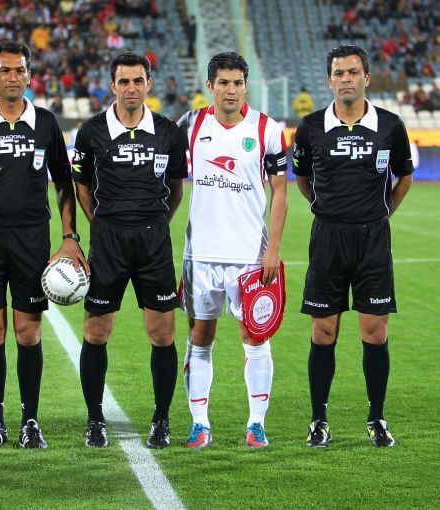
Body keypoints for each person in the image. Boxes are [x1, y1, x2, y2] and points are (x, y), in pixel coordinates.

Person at [0, 41, 85, 450]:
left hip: (31, 239)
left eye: (20, 70)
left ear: (29, 76)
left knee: (28, 332)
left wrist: (69, 236)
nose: (13, 77)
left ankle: (30, 421)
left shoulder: (45, 123)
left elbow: (63, 183)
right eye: (5, 70)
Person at [293, 45, 413, 448]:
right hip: (327, 238)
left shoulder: (390, 125)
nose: (346, 79)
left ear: (367, 78)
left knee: (375, 332)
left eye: (353, 72)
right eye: (339, 73)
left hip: (372, 239)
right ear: (329, 80)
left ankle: (377, 418)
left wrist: (384, 212)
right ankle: (318, 420)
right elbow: (302, 178)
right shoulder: (310, 128)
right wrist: (323, 208)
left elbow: (404, 176)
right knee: (323, 331)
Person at [71, 51, 187, 449]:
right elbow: (82, 186)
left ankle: (161, 419)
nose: (131, 88)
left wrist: (155, 223)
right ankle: (94, 419)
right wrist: (102, 223)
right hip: (108, 242)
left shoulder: (168, 132)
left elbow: (176, 189)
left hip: (154, 242)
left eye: (138, 81)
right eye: (124, 81)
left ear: (148, 84)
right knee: (96, 331)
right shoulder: (91, 131)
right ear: (112, 86)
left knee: (162, 333)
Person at [177, 52, 288, 449]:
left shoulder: (267, 129)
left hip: (249, 256)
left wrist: (273, 248)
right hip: (201, 255)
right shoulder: (191, 124)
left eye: (237, 82)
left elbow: (280, 191)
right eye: (223, 82)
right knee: (199, 336)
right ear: (210, 86)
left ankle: (257, 423)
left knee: (254, 337)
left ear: (245, 86)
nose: (230, 89)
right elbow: (170, 177)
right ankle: (199, 423)